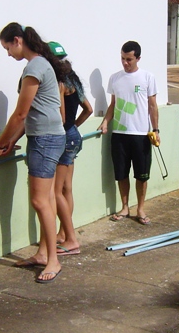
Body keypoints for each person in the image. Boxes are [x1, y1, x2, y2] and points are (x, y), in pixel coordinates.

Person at [0, 23, 68, 283]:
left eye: (7, 47)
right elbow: (33, 114)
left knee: (39, 201)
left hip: (46, 140)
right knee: (46, 198)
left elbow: (20, 114)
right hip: (46, 137)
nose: (8, 53)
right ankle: (43, 253)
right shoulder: (40, 64)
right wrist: (12, 141)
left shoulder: (35, 66)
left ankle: (53, 260)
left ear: (17, 40)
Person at [98, 41, 159, 225]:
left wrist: (156, 130)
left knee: (142, 175)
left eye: (129, 59)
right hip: (119, 134)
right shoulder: (115, 78)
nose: (125, 63)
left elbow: (152, 106)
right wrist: (105, 122)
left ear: (138, 58)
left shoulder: (147, 77)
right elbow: (113, 104)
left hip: (141, 134)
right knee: (121, 173)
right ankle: (125, 207)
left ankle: (140, 209)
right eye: (123, 58)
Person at [47, 41, 93, 255]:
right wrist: (75, 127)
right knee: (67, 188)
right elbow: (88, 109)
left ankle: (69, 237)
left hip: (64, 137)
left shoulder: (59, 82)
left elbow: (62, 117)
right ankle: (63, 233)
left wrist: (67, 127)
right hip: (73, 137)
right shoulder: (73, 79)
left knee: (56, 191)